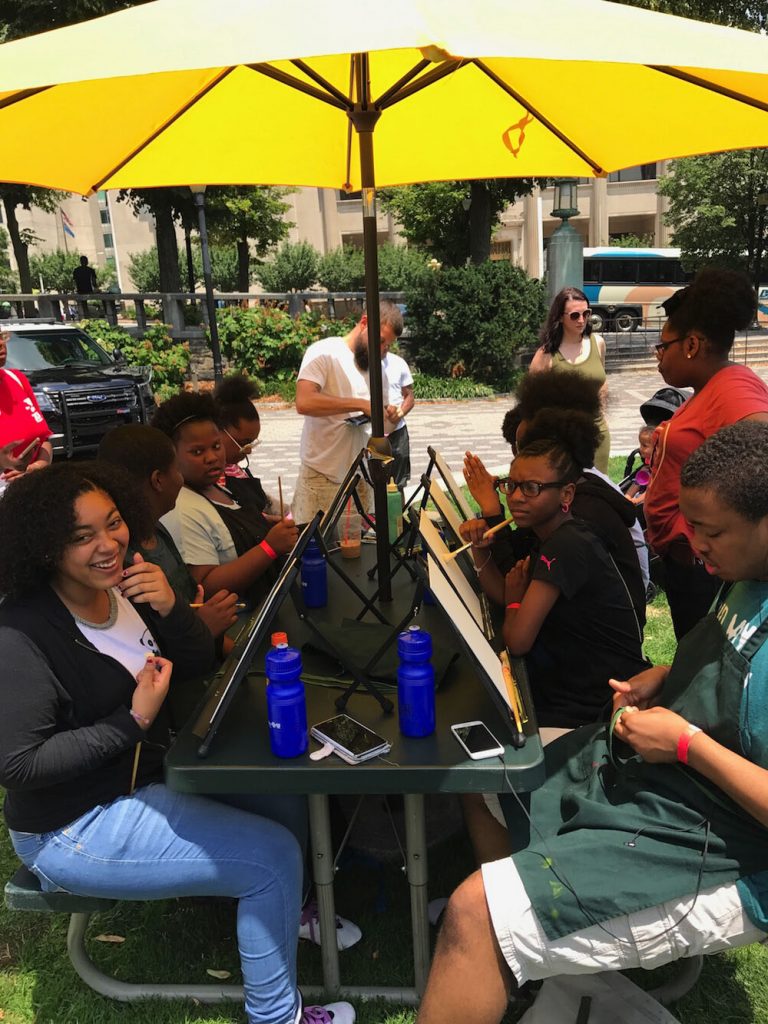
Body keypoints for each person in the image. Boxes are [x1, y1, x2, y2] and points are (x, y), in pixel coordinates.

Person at [417, 420, 768, 1024]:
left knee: (475, 913)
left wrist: (685, 745)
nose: (692, 545)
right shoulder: (744, 579)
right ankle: (540, 961)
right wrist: (663, 674)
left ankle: (512, 944)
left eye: (709, 531)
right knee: (487, 785)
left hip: (725, 851)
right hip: (662, 792)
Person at [0, 462, 354, 1024]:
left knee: (285, 794)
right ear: (44, 548)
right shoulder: (20, 634)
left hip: (147, 777)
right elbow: (18, 765)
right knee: (271, 858)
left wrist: (170, 607)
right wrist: (130, 722)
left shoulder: (127, 587)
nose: (107, 544)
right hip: (72, 826)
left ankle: (291, 909)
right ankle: (277, 1016)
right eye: (81, 537)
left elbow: (193, 664)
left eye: (112, 523)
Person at [460, 408, 647, 730]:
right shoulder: (549, 533)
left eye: (531, 488)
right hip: (573, 683)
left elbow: (517, 640)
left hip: (595, 704)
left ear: (567, 493)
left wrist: (516, 600)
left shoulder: (569, 544)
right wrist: (480, 551)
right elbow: (503, 594)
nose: (516, 497)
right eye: (511, 485)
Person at [464, 371, 646, 624]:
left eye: (524, 447)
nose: (516, 457)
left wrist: (492, 511)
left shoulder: (580, 516)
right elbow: (522, 562)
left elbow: (517, 579)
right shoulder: (567, 492)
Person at [644, 268, 768, 640]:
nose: (658, 357)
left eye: (662, 347)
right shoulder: (709, 388)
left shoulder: (733, 388)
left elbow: (759, 453)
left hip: (706, 568)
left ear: (692, 345)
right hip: (691, 563)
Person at [97, 424, 240, 644]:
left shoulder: (156, 530)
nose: (181, 479)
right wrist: (201, 629)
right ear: (158, 480)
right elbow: (152, 644)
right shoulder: (126, 559)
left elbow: (192, 602)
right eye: (177, 470)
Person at [153, 392, 299, 606]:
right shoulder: (183, 509)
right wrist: (269, 547)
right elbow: (205, 586)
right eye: (197, 451)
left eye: (216, 446)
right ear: (172, 454)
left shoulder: (216, 488)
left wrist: (260, 525)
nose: (211, 457)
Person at [291, 301, 400, 524]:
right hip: (322, 473)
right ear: (364, 323)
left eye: (387, 346)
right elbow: (304, 401)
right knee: (316, 545)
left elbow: (383, 426)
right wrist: (358, 404)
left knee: (360, 548)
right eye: (379, 341)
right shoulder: (324, 352)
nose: (382, 351)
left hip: (360, 475)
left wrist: (392, 417)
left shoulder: (379, 371)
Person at [529, 287, 610, 474]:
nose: (582, 320)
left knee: (598, 495)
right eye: (574, 315)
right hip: (564, 442)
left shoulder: (598, 343)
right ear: (559, 317)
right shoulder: (546, 355)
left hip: (598, 435)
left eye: (586, 313)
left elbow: (601, 381)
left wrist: (603, 413)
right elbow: (531, 403)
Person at [0, 327, 53, 493]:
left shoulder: (17, 379)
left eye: (1, 337)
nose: (1, 344)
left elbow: (43, 439)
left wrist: (38, 466)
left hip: (34, 489)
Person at [214, 373, 273, 512]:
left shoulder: (235, 469)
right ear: (218, 431)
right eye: (243, 443)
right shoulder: (211, 479)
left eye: (252, 443)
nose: (248, 451)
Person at [380, 328, 414, 488]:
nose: (385, 347)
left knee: (398, 485)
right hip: (371, 435)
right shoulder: (361, 365)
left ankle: (397, 513)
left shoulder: (398, 363)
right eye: (381, 342)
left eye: (388, 343)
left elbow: (409, 397)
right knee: (373, 484)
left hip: (398, 434)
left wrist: (399, 413)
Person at [623, 423, 655, 505]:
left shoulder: (660, 470)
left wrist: (636, 501)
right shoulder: (646, 466)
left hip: (652, 500)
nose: (640, 448)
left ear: (657, 448)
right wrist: (627, 497)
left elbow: (652, 491)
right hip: (641, 497)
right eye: (640, 444)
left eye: (644, 446)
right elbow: (637, 484)